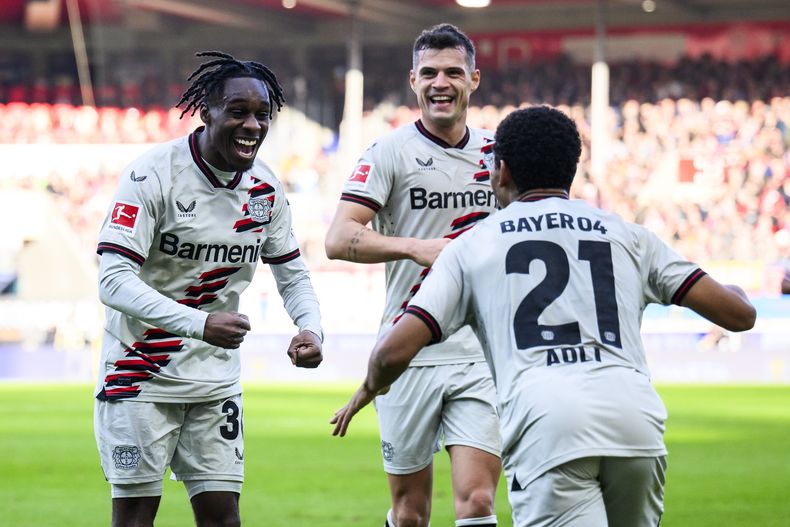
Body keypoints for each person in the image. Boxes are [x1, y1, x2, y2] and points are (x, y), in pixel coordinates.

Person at [331, 106, 756, 527]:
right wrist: (733, 290)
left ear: (503, 171)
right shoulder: (625, 233)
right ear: (572, 168)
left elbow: (393, 351)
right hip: (635, 421)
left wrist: (369, 388)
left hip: (547, 422)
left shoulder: (475, 245)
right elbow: (739, 314)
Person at [94, 51, 323, 527]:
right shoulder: (151, 175)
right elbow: (113, 281)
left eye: (263, 115)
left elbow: (292, 272)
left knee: (224, 519)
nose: (253, 125)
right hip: (140, 378)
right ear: (207, 111)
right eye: (238, 112)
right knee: (134, 519)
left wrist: (311, 327)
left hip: (214, 382)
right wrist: (200, 323)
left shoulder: (264, 189)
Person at [325, 23, 502, 527]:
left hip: (480, 353)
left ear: (474, 79)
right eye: (429, 73)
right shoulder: (389, 153)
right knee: (410, 514)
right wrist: (416, 247)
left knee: (478, 502)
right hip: (409, 351)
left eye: (452, 72)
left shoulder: (498, 155)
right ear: (412, 80)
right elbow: (338, 239)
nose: (440, 82)